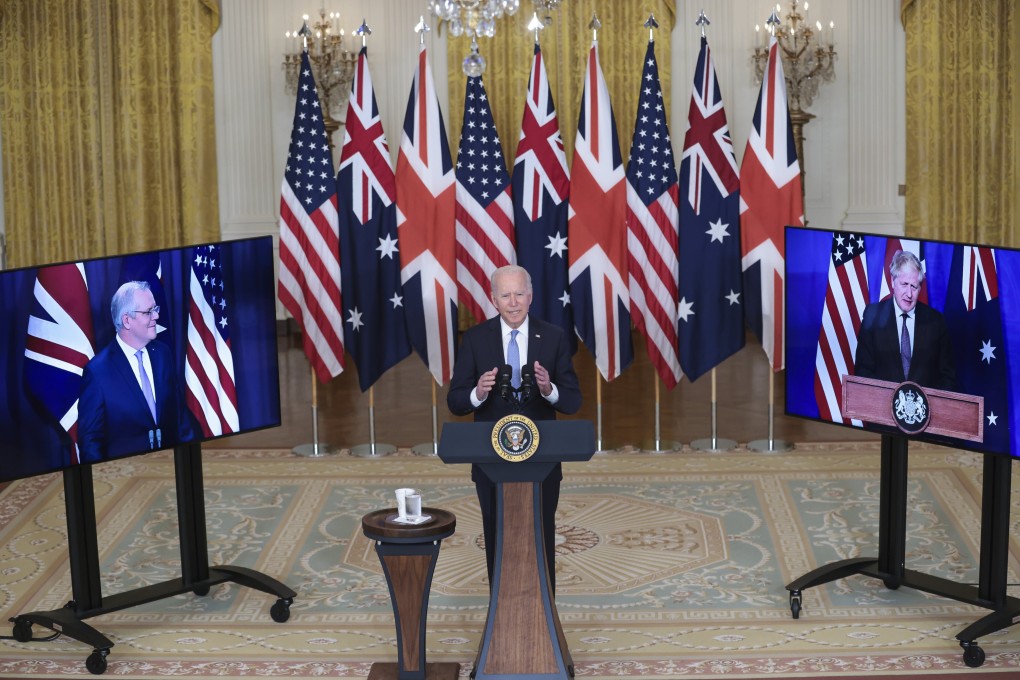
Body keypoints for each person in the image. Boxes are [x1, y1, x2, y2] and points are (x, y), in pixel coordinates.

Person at [447, 264, 581, 592]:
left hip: (542, 459)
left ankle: (544, 606)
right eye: (505, 295)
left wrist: (550, 389)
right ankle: (500, 606)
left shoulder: (553, 337)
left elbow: (573, 401)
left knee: (540, 531)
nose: (513, 301)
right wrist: (478, 393)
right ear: (493, 300)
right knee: (497, 532)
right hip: (491, 461)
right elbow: (456, 400)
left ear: (531, 296)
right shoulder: (476, 339)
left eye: (519, 293)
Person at [78, 281, 194, 463]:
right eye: (148, 312)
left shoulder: (163, 354)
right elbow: (91, 444)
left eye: (155, 309)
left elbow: (181, 419)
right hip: (128, 477)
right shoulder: (98, 372)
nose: (156, 316)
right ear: (126, 320)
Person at [854, 250, 955, 390]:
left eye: (914, 286)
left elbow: (947, 377)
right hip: (881, 407)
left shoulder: (936, 322)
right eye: (904, 284)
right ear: (893, 282)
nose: (909, 294)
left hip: (925, 409)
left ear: (920, 288)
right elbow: (862, 372)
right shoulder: (873, 316)